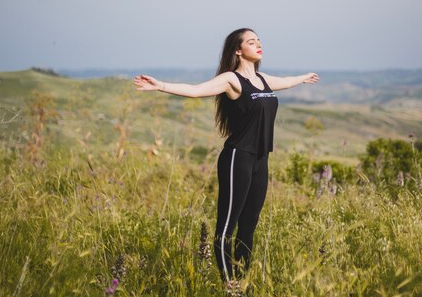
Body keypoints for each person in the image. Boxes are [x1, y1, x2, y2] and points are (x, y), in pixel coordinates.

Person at [133, 28, 319, 288]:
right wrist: (160, 86)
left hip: (260, 161)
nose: (258, 44)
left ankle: (241, 283)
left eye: (259, 40)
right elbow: (197, 90)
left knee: (248, 228)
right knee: (227, 227)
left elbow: (285, 81)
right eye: (251, 41)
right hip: (237, 158)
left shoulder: (263, 79)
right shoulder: (231, 80)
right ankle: (229, 286)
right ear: (238, 50)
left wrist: (303, 77)